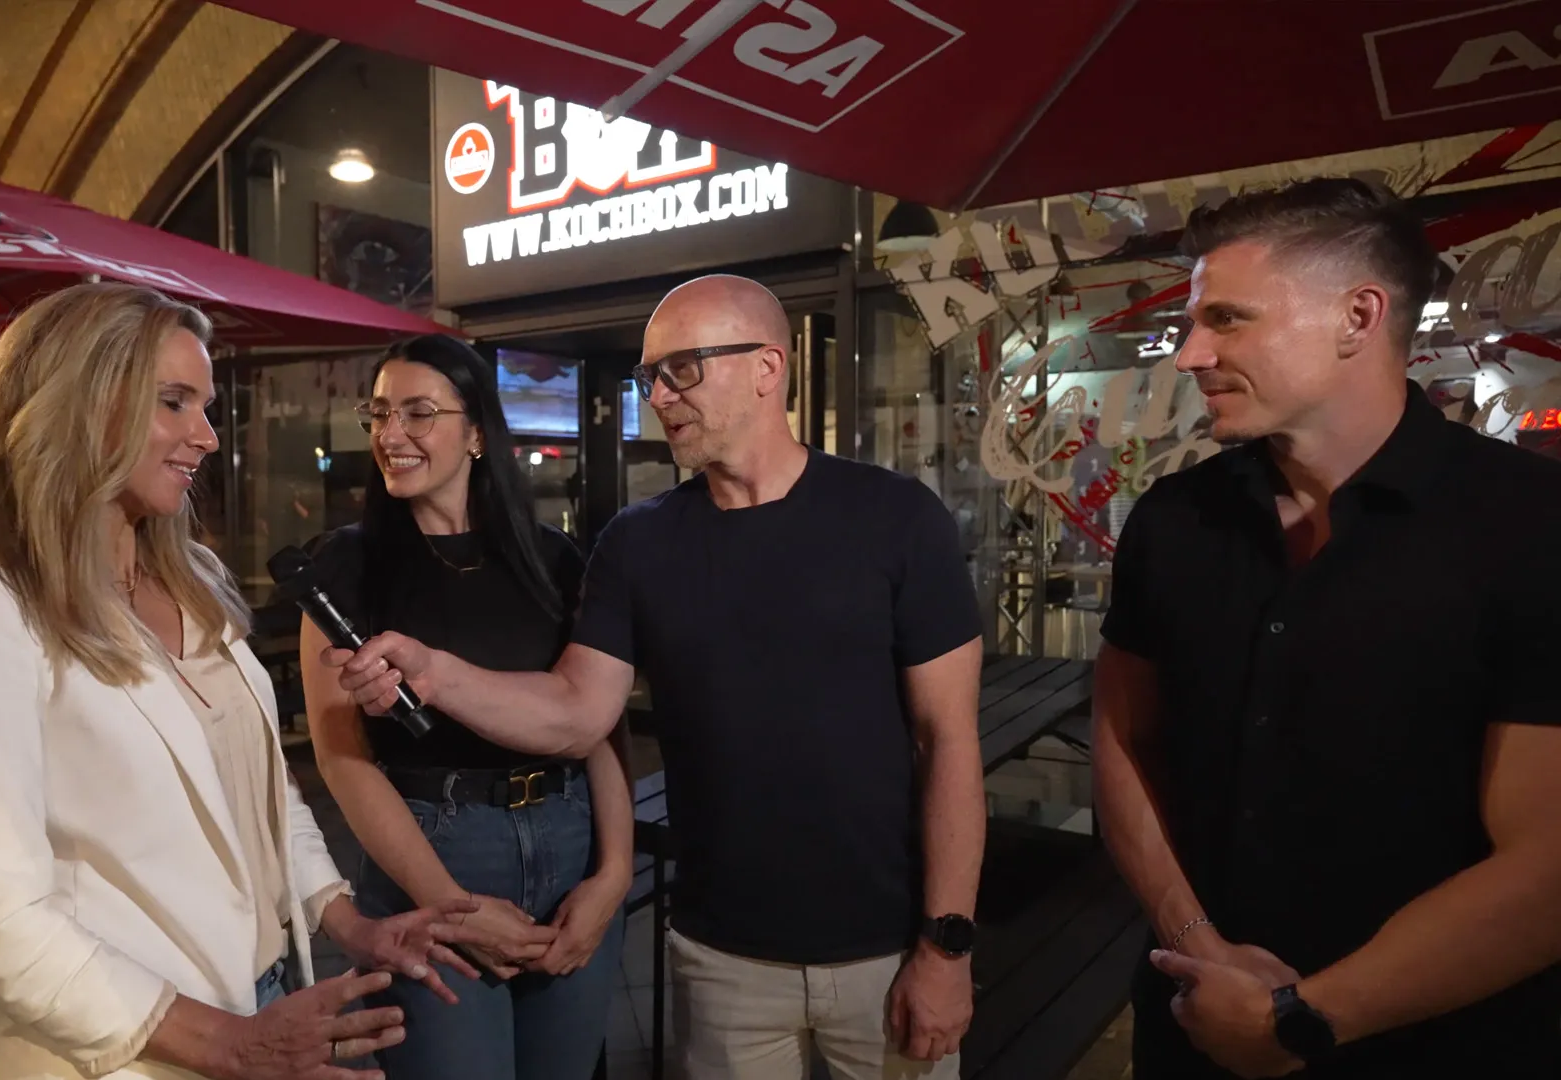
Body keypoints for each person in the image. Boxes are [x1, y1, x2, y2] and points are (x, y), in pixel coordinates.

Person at [327, 275, 987, 1079]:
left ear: (767, 368)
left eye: (682, 370)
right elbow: (578, 713)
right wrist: (434, 673)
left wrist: (947, 945)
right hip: (721, 955)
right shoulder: (637, 544)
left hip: (887, 951)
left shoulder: (897, 518)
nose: (659, 397)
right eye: (650, 377)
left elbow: (949, 742)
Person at [0, 283, 498, 1080]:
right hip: (129, 1051)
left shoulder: (194, 577)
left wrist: (347, 922)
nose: (207, 437)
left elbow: (259, 788)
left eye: (205, 407)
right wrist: (227, 1044)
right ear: (76, 405)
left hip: (264, 999)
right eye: (173, 402)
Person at [1092, 177, 1561, 1079]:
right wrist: (1197, 942)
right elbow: (1123, 740)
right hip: (1192, 1028)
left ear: (1358, 316)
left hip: (1440, 1049)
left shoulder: (1530, 524)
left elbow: (1546, 862)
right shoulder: (1174, 520)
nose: (1189, 355)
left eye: (1227, 320)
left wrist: (1300, 1021)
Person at [297, 334, 631, 1080]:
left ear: (477, 431)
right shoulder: (345, 565)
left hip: (568, 837)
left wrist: (613, 873)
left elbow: (599, 730)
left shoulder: (555, 558)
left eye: (418, 413)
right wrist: (450, 905)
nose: (391, 434)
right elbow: (342, 760)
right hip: (435, 849)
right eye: (380, 413)